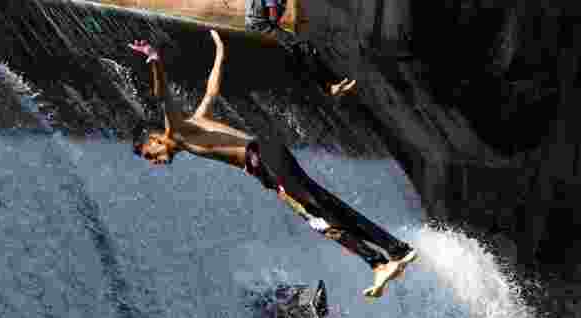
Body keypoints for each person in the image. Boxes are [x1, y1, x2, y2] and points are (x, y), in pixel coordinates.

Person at [128, 30, 417, 299]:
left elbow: (162, 95)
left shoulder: (175, 130)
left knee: (320, 213)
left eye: (149, 155)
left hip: (264, 157)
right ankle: (391, 253)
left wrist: (155, 60)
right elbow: (212, 90)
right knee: (323, 211)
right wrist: (219, 50)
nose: (154, 162)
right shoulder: (193, 125)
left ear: (155, 139)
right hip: (266, 163)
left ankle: (382, 259)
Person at [245, 0, 356, 97]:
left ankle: (328, 84)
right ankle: (328, 86)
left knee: (299, 45)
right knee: (305, 46)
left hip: (255, 26)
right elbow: (273, 17)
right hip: (261, 28)